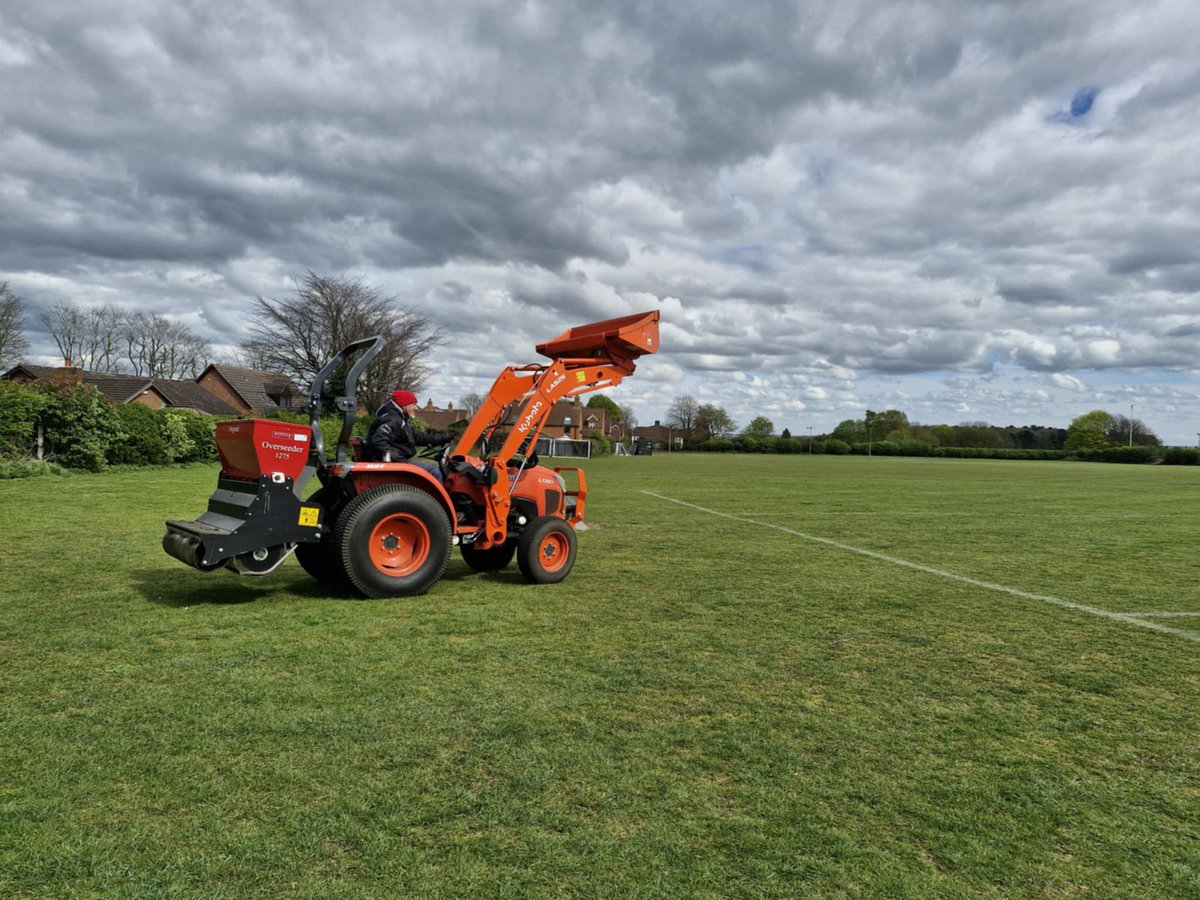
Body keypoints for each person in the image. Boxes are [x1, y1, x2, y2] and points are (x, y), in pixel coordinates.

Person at [365, 389, 448, 477]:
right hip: (388, 464)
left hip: (390, 461)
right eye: (414, 404)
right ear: (404, 405)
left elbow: (419, 437)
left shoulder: (399, 420)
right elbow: (379, 442)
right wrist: (398, 460)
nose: (416, 408)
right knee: (434, 472)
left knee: (432, 470)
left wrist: (444, 437)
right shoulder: (393, 420)